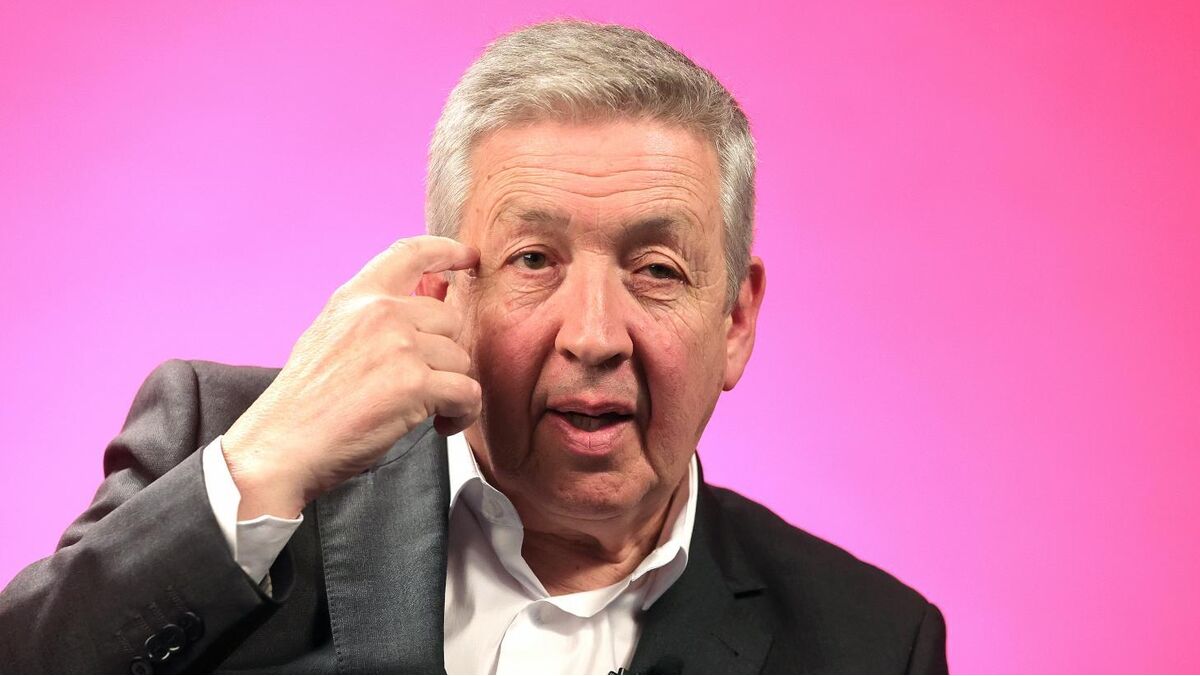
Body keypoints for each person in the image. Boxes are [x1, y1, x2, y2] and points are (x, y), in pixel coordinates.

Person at [0, 20, 947, 674]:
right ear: (446, 289)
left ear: (735, 321)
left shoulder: (871, 642)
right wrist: (262, 464)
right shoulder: (229, 449)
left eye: (656, 270)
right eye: (534, 259)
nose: (593, 335)